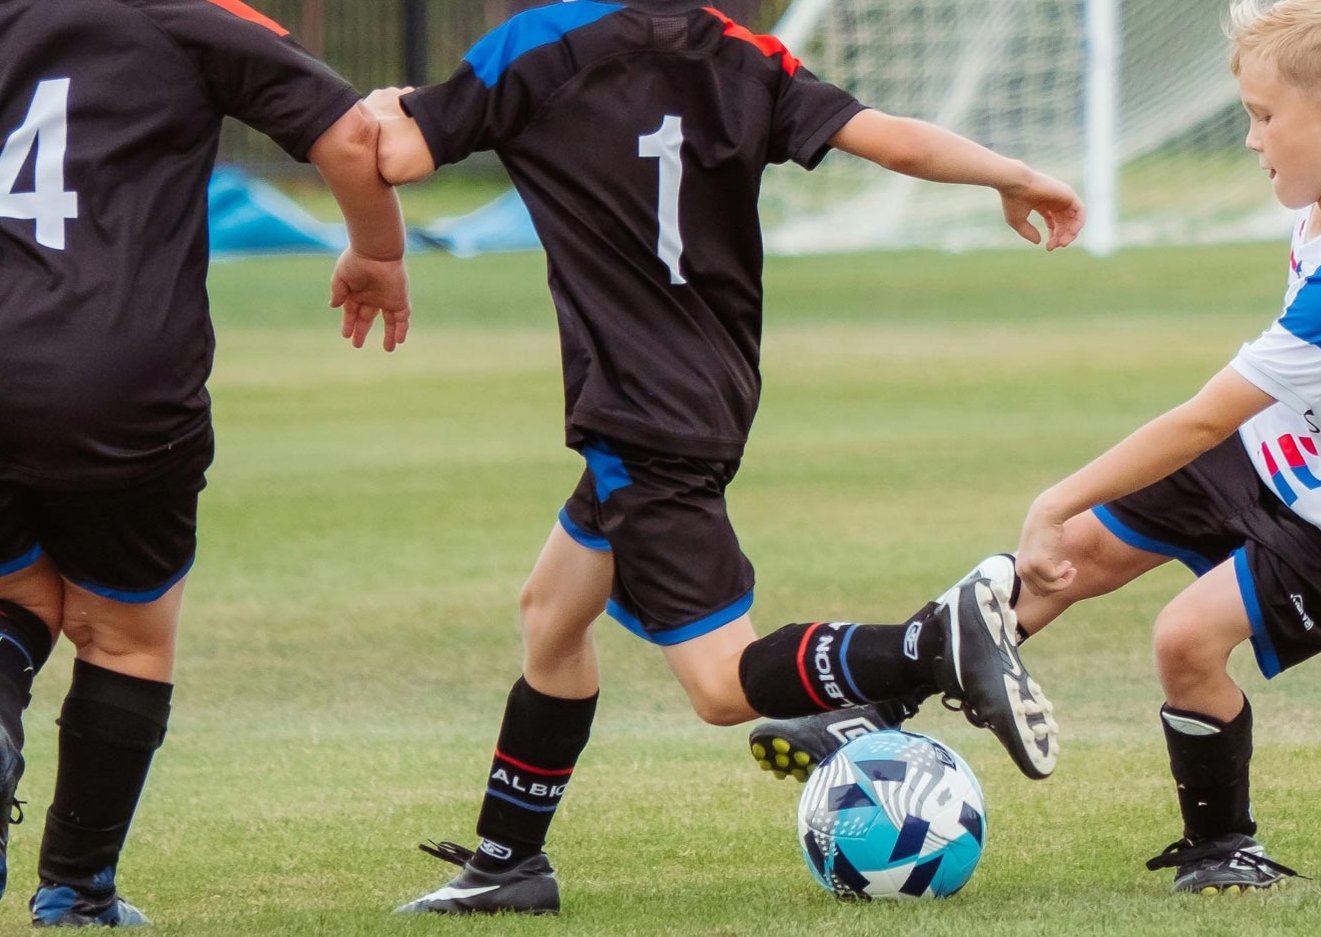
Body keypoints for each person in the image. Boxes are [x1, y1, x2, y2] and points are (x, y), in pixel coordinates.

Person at [751, 0, 1321, 896]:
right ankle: (877, 703)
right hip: (1288, 445)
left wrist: (1053, 497)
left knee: (1183, 638)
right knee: (1081, 554)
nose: (1252, 141)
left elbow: (1201, 421)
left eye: (1263, 117)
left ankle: (1225, 846)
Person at [365, 0, 1078, 915]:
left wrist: (393, 106)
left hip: (636, 409)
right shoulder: (742, 53)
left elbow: (397, 155)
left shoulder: (536, 46)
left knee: (718, 685)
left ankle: (925, 645)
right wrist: (1011, 175)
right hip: (712, 388)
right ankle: (510, 863)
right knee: (551, 613)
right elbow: (890, 141)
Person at [0, 0, 410, 926]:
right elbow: (350, 134)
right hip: (120, 376)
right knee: (125, 633)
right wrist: (378, 253)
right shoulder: (191, 18)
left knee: (18, 598)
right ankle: (76, 890)